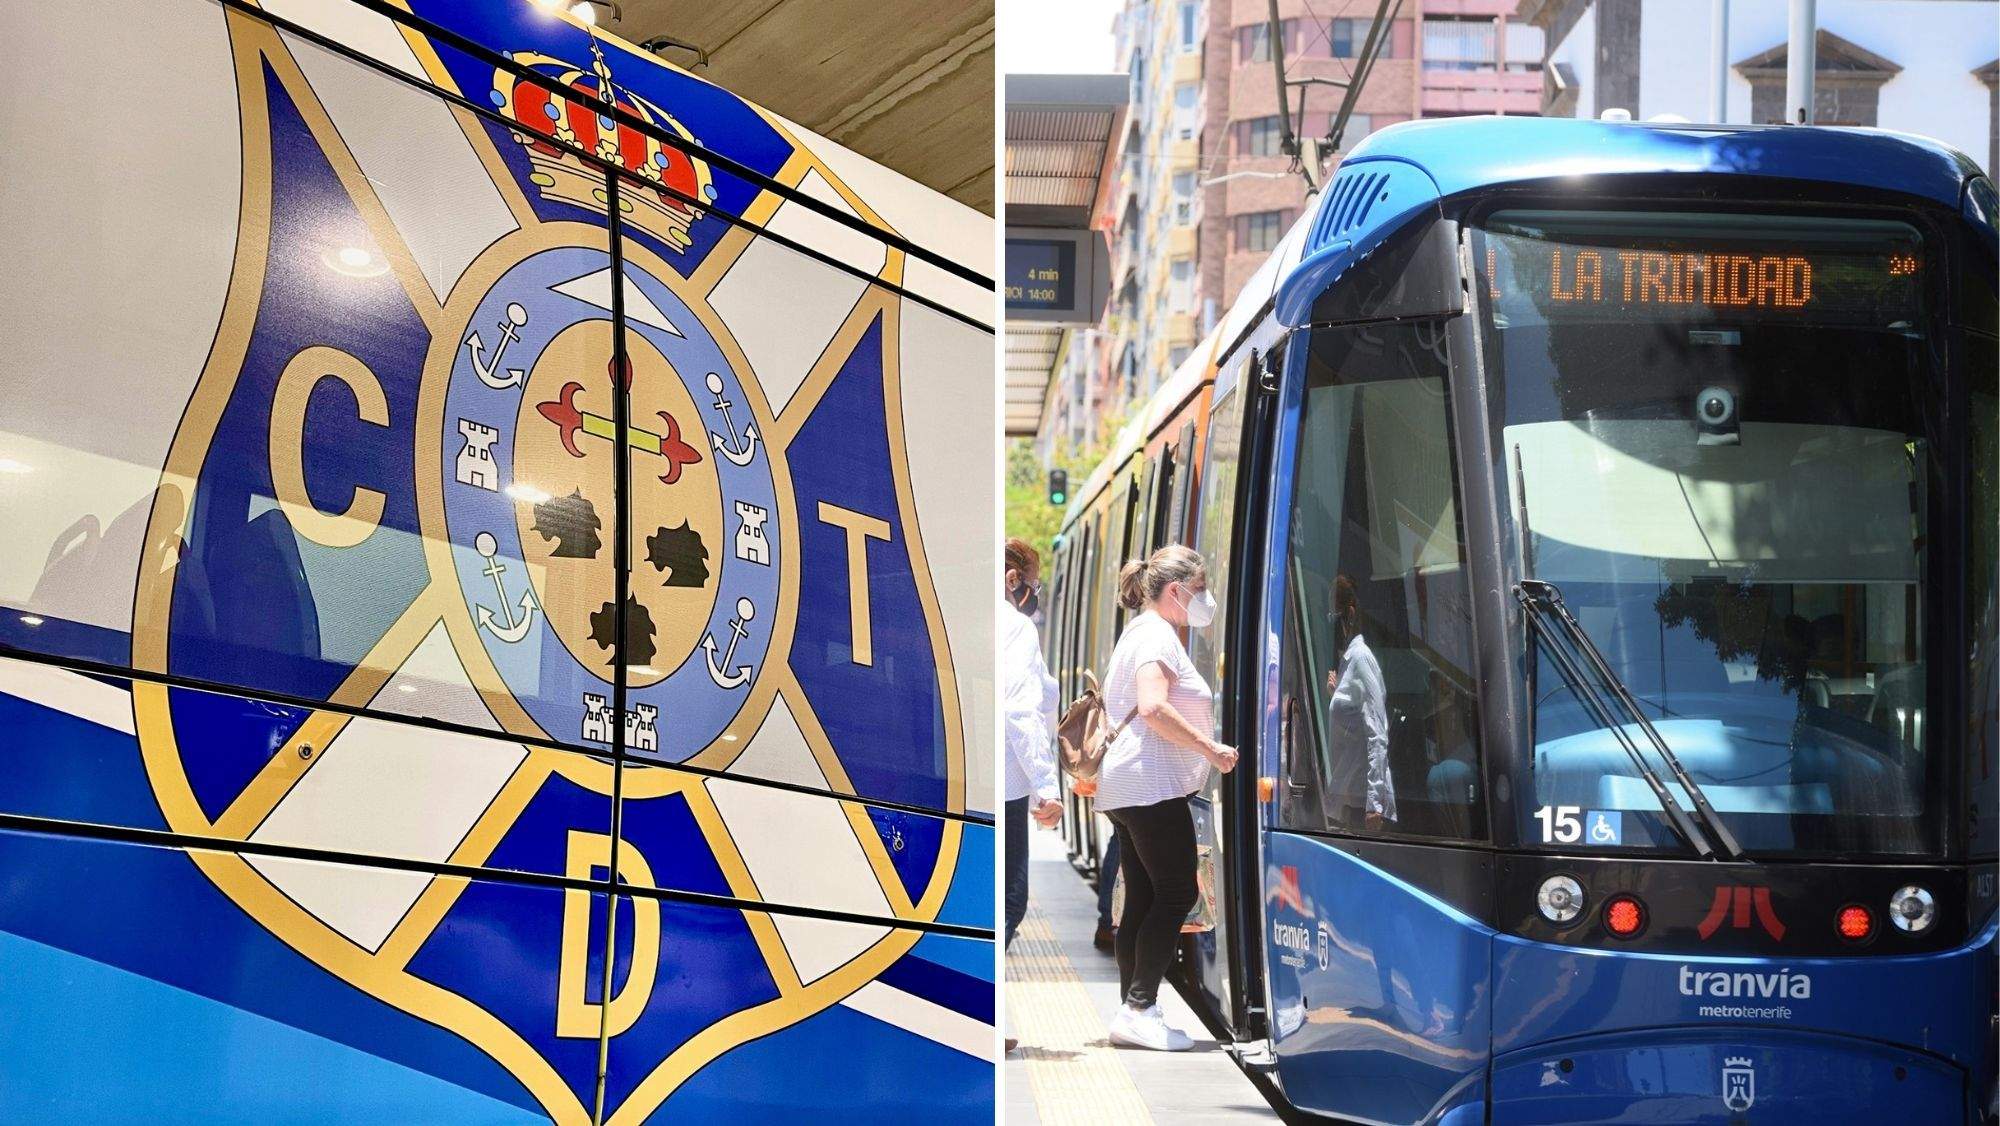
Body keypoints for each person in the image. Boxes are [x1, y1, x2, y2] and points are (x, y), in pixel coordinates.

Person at [1096, 544, 1238, 1051]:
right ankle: (1140, 1007)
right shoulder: (1158, 634)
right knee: (1177, 892)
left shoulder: (1138, 631)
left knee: (1144, 896)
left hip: (1129, 786)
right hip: (1151, 785)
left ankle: (1131, 1010)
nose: (1205, 599)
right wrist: (1211, 748)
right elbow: (1152, 707)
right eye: (1199, 589)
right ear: (1175, 591)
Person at [1003, 538, 1063, 956]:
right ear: (1013, 580)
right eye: (1035, 587)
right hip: (1005, 789)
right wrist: (1046, 786)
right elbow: (1020, 710)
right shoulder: (1016, 627)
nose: (1033, 597)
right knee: (1009, 901)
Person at [1325, 574, 1394, 831]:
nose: (1330, 624)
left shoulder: (1361, 659)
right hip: (1349, 797)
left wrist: (1375, 803)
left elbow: (1376, 730)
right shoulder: (1349, 660)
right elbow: (1354, 722)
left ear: (1350, 614)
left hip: (1362, 807)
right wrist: (1337, 694)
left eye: (1334, 617)